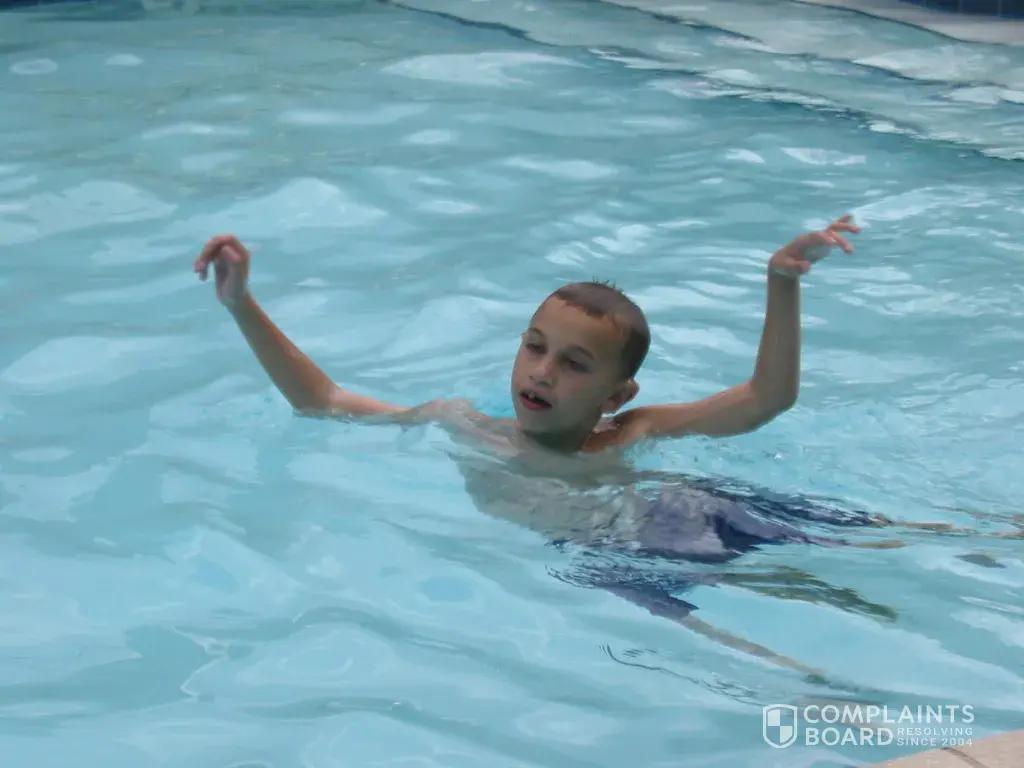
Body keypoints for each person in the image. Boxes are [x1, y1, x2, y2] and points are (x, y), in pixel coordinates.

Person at [189, 215, 971, 683]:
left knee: (892, 545)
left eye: (573, 364)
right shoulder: (461, 421)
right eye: (534, 347)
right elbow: (323, 401)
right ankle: (843, 693)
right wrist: (241, 304)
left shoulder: (636, 430)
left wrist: (783, 283)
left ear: (616, 394)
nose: (541, 372)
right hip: (616, 557)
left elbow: (767, 399)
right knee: (764, 656)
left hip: (683, 513)